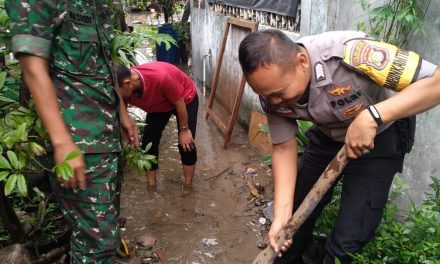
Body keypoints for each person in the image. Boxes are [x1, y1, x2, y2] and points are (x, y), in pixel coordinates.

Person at [238, 29, 440, 263]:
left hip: (380, 137)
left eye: (279, 94)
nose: (272, 102)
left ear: (301, 62)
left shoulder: (352, 53)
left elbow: (435, 82)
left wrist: (373, 116)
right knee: (291, 221)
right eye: (265, 95)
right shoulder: (271, 90)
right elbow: (283, 147)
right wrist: (281, 216)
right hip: (328, 134)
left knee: (348, 241)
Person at [6, 1, 138, 263]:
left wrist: (122, 111)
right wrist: (63, 142)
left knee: (105, 234)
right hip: (77, 144)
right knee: (96, 244)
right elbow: (32, 67)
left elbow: (104, 64)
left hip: (106, 140)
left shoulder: (98, 6)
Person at [114, 61, 198, 191]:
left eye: (116, 93)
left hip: (184, 98)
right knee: (149, 143)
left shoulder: (161, 78)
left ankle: (188, 186)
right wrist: (126, 135)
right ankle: (151, 186)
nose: (114, 96)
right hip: (159, 104)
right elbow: (123, 112)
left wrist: (184, 130)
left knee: (186, 144)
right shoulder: (122, 84)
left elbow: (179, 102)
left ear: (127, 84)